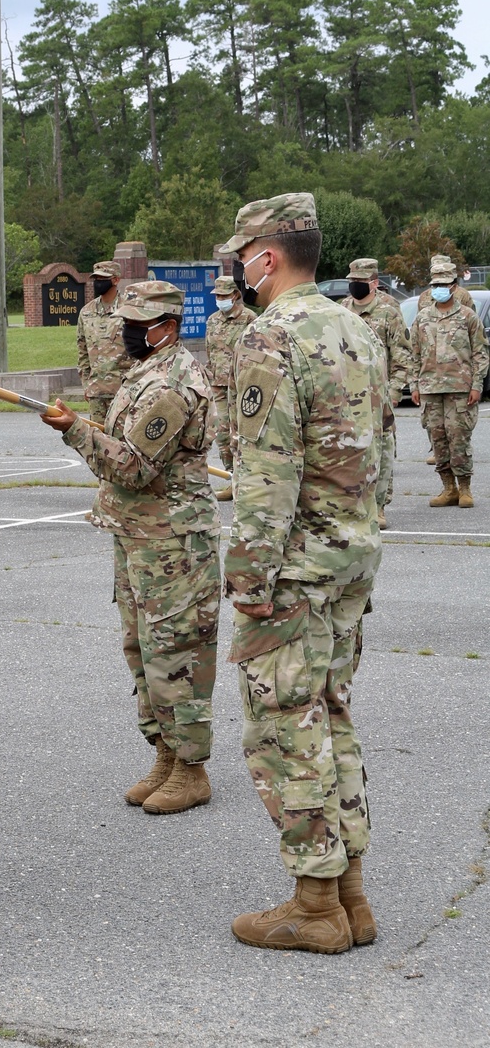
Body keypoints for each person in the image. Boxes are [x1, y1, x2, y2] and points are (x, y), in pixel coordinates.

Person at [222, 193, 385, 955]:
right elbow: (376, 449)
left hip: (293, 567)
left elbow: (266, 473)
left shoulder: (272, 335)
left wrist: (249, 582)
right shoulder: (357, 328)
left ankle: (315, 904)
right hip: (350, 555)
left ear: (268, 256)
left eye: (242, 253)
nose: (238, 265)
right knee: (331, 715)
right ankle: (350, 896)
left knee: (287, 727)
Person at [43, 281, 220, 815]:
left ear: (166, 327)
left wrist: (75, 431)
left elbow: (134, 467)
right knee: (143, 651)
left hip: (171, 541)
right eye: (124, 321)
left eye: (135, 323)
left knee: (176, 654)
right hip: (137, 534)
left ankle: (192, 770)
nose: (124, 331)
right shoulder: (145, 373)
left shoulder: (174, 384)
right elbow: (126, 440)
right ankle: (166, 755)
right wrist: (85, 426)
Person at [410, 254, 488, 509]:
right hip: (430, 389)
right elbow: (414, 354)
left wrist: (477, 384)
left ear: (454, 286)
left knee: (459, 439)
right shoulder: (422, 318)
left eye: (444, 285)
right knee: (438, 440)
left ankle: (465, 488)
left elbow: (480, 353)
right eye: (435, 285)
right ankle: (448, 488)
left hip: (459, 389)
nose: (440, 289)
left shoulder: (467, 316)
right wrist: (414, 386)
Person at [341, 258, 410, 529]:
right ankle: (353, 504)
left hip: (379, 394)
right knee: (348, 450)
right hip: (346, 394)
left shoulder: (389, 311)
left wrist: (394, 392)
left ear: (373, 283)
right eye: (352, 282)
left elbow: (402, 355)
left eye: (359, 282)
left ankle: (379, 507)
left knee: (381, 451)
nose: (354, 286)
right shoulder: (342, 309)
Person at [203, 274, 255, 502]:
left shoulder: (250, 319)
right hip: (218, 386)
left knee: (243, 434)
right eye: (217, 295)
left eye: (224, 295)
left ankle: (248, 483)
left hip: (242, 385)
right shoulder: (212, 320)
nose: (220, 299)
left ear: (235, 295)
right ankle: (233, 480)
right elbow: (209, 352)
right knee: (222, 433)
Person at [76, 260, 131, 425]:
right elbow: (83, 351)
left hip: (123, 390)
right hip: (96, 392)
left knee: (124, 442)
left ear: (115, 280)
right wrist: (86, 384)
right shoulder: (86, 312)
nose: (98, 283)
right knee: (99, 442)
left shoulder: (128, 310)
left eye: (102, 278)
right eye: (96, 279)